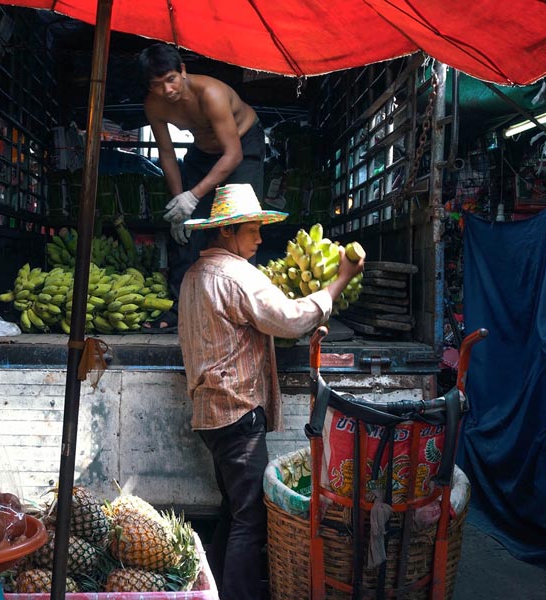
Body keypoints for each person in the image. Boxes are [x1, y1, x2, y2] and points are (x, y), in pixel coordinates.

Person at [178, 183, 365, 600]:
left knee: (234, 509)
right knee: (251, 518)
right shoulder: (236, 275)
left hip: (211, 412)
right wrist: (340, 281)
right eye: (253, 229)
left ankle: (211, 588)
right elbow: (290, 318)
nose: (260, 238)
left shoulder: (194, 275)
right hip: (237, 411)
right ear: (227, 231)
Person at [139, 43, 266, 328]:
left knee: (241, 221)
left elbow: (232, 155)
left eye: (171, 79)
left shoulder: (211, 93)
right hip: (202, 153)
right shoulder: (154, 105)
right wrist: (179, 203)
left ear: (183, 71)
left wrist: (194, 195)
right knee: (188, 229)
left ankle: (247, 309)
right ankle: (183, 306)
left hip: (242, 147)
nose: (167, 90)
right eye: (158, 85)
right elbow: (168, 154)